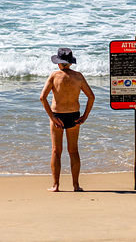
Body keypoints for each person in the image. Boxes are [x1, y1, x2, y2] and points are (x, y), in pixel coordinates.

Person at [39, 47, 94, 192]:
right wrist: (85, 116)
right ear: (70, 62)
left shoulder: (54, 76)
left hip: (57, 116)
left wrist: (52, 117)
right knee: (73, 150)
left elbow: (42, 97)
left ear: (59, 63)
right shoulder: (78, 77)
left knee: (56, 151)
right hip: (74, 116)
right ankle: (76, 185)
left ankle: (55, 185)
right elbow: (91, 96)